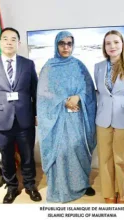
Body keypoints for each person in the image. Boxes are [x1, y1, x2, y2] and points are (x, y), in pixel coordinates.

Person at [0, 27, 41, 203]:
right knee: (6, 157)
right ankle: (12, 187)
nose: (9, 42)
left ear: (18, 43)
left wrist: (36, 114)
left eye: (13, 39)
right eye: (5, 38)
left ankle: (30, 185)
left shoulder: (28, 64)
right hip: (1, 121)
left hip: (25, 119)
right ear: (0, 42)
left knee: (28, 156)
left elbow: (34, 91)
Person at [37, 31, 97, 203]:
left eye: (69, 43)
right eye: (62, 43)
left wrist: (78, 97)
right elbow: (43, 94)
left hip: (77, 118)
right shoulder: (49, 67)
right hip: (58, 120)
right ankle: (61, 187)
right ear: (56, 45)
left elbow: (89, 90)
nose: (66, 47)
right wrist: (62, 101)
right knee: (62, 152)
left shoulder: (79, 65)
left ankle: (82, 184)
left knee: (79, 149)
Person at [94, 30, 124, 204]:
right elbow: (100, 93)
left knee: (122, 160)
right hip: (103, 120)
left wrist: (123, 107)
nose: (112, 46)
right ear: (104, 47)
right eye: (108, 43)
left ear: (122, 44)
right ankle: (109, 194)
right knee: (105, 158)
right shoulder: (98, 67)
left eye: (116, 42)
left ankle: (122, 193)